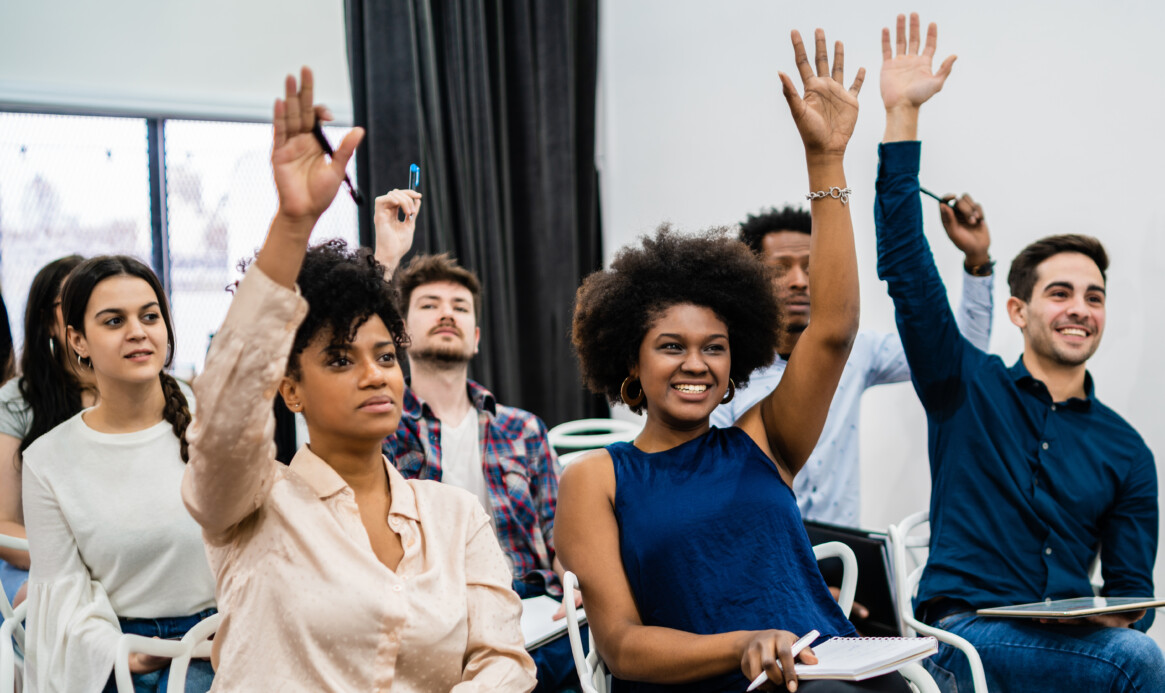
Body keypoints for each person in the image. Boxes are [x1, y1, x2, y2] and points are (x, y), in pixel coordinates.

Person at [557, 29, 909, 693]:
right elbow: (624, 645)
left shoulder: (761, 439)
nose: (697, 363)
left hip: (826, 668)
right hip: (711, 681)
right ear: (629, 360)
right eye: (671, 346)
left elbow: (832, 329)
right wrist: (741, 645)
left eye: (713, 347)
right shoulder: (594, 479)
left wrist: (825, 162)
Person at [181, 67, 536, 691]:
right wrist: (293, 226)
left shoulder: (454, 517)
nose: (375, 374)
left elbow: (503, 662)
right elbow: (227, 414)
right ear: (289, 388)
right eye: (341, 361)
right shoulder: (251, 504)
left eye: (386, 356)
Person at [874, 13, 1163, 691]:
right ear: (1018, 309)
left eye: (1092, 296)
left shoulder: (1125, 449)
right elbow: (906, 271)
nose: (1078, 309)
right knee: (1138, 667)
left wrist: (1099, 617)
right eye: (1059, 292)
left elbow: (1130, 592)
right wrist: (901, 117)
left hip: (1066, 646)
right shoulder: (961, 386)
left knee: (1132, 653)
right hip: (961, 635)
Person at [711, 201, 993, 527]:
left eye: (810, 265)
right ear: (750, 280)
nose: (799, 280)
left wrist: (977, 262)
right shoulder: (725, 366)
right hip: (759, 550)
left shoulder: (856, 351)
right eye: (779, 269)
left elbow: (957, 355)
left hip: (843, 555)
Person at [22, 255, 215, 693]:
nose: (137, 332)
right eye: (114, 321)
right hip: (122, 657)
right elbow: (62, 599)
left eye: (150, 316)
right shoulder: (48, 460)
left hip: (226, 641)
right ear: (78, 340)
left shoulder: (212, 421)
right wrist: (127, 653)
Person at [383, 252, 568, 691]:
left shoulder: (522, 428)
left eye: (460, 307)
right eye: (429, 305)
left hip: (533, 610)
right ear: (401, 334)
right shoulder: (381, 431)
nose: (447, 313)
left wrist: (578, 585)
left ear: (477, 337)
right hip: (434, 617)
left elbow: (562, 533)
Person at [0, 255, 92, 605]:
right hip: (35, 565)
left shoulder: (137, 393)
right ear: (48, 324)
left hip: (121, 559)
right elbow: (3, 524)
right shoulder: (16, 401)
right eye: (72, 303)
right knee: (49, 604)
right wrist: (81, 560)